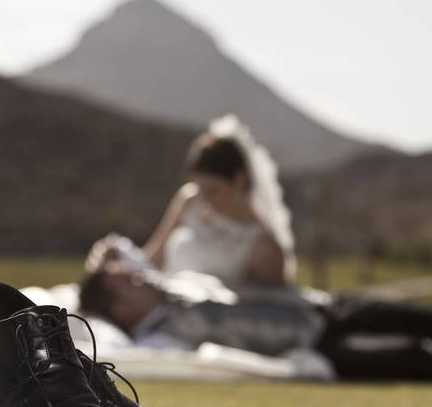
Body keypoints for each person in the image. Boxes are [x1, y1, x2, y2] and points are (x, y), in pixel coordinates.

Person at [77, 264, 432, 384]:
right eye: (123, 278)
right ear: (117, 301)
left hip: (333, 306)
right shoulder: (160, 334)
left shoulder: (178, 287)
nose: (137, 274)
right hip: (326, 344)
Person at [86, 115, 296, 287]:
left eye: (213, 190)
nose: (204, 199)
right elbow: (150, 261)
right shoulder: (190, 201)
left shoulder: (265, 248)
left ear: (239, 180)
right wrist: (116, 254)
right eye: (200, 188)